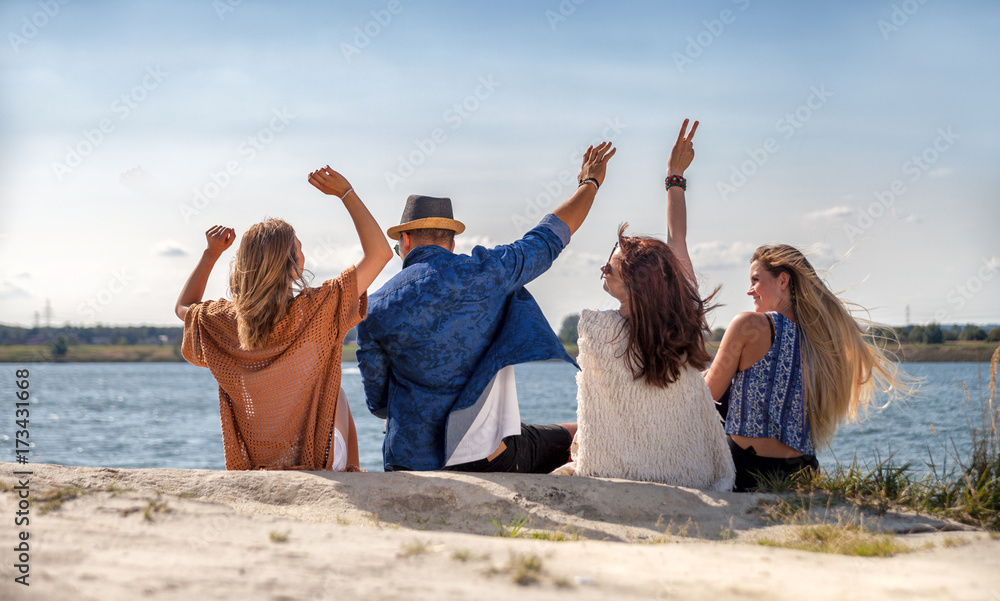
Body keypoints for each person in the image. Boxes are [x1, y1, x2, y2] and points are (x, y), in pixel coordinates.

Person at [357, 142, 617, 472]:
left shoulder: (374, 307)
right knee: (570, 435)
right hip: (484, 459)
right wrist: (589, 184)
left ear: (405, 242)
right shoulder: (489, 272)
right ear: (451, 244)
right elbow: (549, 238)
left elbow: (377, 403)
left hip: (407, 461)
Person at [175, 166, 392, 471]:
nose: (304, 256)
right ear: (292, 267)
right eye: (299, 251)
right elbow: (380, 253)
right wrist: (346, 193)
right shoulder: (319, 308)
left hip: (258, 459)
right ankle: (354, 476)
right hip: (320, 458)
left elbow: (185, 306)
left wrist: (211, 254)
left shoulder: (225, 321)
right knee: (336, 392)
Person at [564, 120, 736, 491]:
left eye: (609, 265)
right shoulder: (683, 318)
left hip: (614, 469)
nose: (601, 268)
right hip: (687, 472)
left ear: (633, 279)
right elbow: (678, 237)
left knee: (544, 442)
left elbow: (592, 412)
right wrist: (675, 176)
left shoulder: (595, 329)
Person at [704, 244, 915, 491]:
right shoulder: (820, 340)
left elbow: (706, 397)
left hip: (749, 468)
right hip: (802, 471)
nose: (749, 290)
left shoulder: (748, 324)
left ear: (783, 280)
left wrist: (699, 376)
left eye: (755, 280)